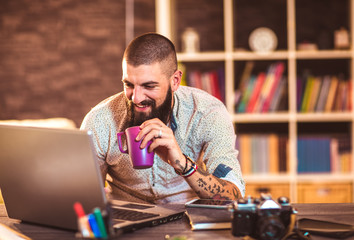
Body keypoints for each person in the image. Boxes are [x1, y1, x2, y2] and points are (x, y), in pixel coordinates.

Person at [81, 33, 245, 204]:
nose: (136, 98)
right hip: (126, 219)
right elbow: (88, 200)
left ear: (175, 81)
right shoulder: (99, 120)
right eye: (128, 85)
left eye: (149, 86)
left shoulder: (208, 113)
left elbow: (232, 196)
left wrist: (182, 163)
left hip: (188, 219)